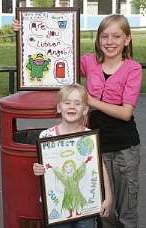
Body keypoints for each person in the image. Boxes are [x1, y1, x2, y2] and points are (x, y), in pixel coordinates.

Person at [80, 14, 143, 228]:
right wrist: (24, 32)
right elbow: (60, 54)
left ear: (127, 39)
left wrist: (91, 101)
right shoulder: (88, 62)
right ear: (98, 40)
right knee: (103, 209)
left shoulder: (133, 68)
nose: (110, 42)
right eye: (104, 36)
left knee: (126, 209)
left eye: (116, 36)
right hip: (95, 145)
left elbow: (126, 113)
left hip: (125, 147)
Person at [33, 84, 112, 228]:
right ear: (59, 107)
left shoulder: (89, 138)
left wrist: (108, 197)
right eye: (67, 102)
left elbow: (99, 165)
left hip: (87, 205)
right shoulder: (46, 136)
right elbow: (44, 168)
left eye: (77, 103)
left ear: (85, 109)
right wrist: (37, 169)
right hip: (56, 207)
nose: (71, 107)